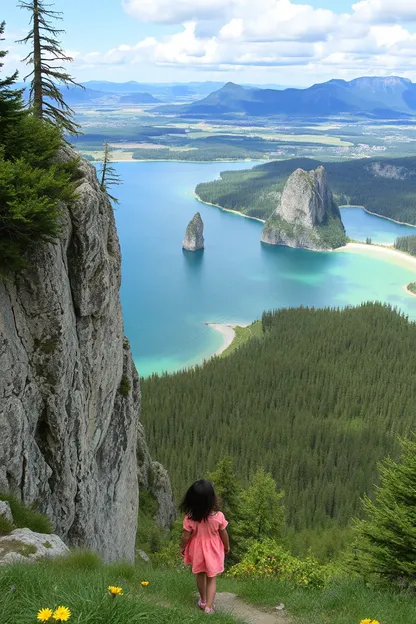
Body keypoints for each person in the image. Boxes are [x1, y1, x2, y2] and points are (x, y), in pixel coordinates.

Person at [180, 479, 230, 614]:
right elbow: (223, 533)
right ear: (212, 499)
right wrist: (226, 546)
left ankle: (202, 600)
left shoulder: (190, 518)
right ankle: (209, 606)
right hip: (213, 549)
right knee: (211, 577)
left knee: (200, 574)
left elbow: (185, 536)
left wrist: (182, 548)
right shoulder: (218, 516)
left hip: (197, 550)